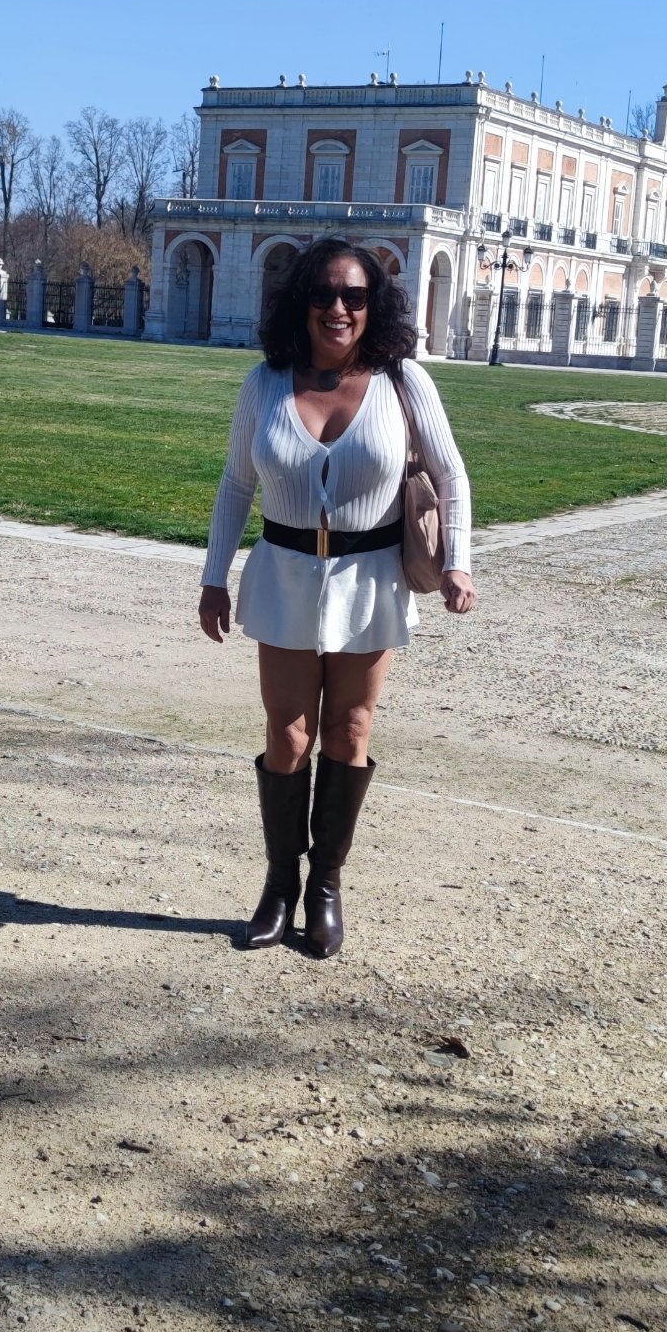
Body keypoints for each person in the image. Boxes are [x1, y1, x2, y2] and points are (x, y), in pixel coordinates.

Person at [199, 238, 476, 957]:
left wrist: (458, 564)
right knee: (287, 737)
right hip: (284, 573)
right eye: (324, 294)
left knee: (350, 732)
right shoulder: (265, 383)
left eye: (355, 296)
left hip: (371, 578)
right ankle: (279, 885)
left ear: (373, 305)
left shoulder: (403, 381)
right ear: (302, 302)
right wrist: (213, 577)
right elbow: (235, 484)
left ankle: (325, 885)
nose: (338, 308)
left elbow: (450, 475)